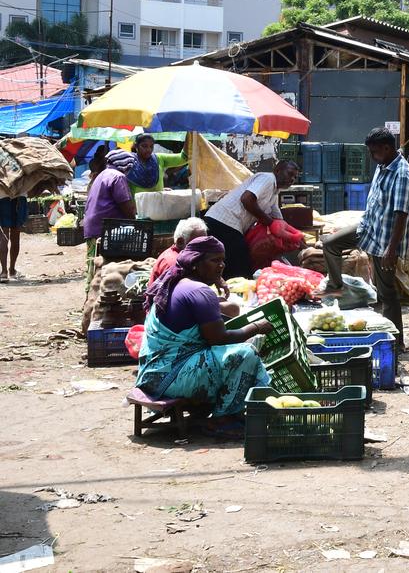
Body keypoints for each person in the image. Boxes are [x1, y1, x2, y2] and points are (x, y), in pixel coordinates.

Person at [139, 236, 274, 439]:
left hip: (153, 373)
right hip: (169, 378)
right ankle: (222, 419)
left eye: (223, 260)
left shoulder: (176, 281)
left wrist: (214, 278)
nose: (221, 266)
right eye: (214, 260)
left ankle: (209, 408)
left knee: (228, 353)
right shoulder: (199, 291)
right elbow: (218, 338)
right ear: (195, 263)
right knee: (245, 354)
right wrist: (256, 327)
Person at [322, 128, 409, 346]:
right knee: (330, 244)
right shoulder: (383, 165)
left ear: (387, 148)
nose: (372, 157)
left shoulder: (402, 173)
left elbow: (401, 215)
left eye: (375, 152)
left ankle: (396, 342)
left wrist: (390, 251)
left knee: (386, 293)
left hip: (384, 240)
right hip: (367, 229)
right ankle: (336, 286)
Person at [203, 160, 300, 279]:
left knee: (231, 264)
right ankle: (235, 292)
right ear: (277, 171)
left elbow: (278, 219)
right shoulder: (268, 178)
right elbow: (247, 199)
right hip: (222, 221)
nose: (292, 179)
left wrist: (297, 238)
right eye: (289, 174)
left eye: (295, 177)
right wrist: (270, 222)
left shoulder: (275, 192)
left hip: (229, 225)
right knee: (240, 267)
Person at [83, 150, 137, 288]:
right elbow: (126, 206)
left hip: (92, 227)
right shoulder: (118, 177)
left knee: (93, 268)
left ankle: (90, 299)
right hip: (104, 230)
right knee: (106, 269)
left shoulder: (102, 174)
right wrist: (136, 218)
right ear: (126, 165)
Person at [0, 193, 29, 283]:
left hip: (2, 198)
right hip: (19, 198)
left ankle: (4, 272)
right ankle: (12, 270)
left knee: (3, 236)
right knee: (16, 236)